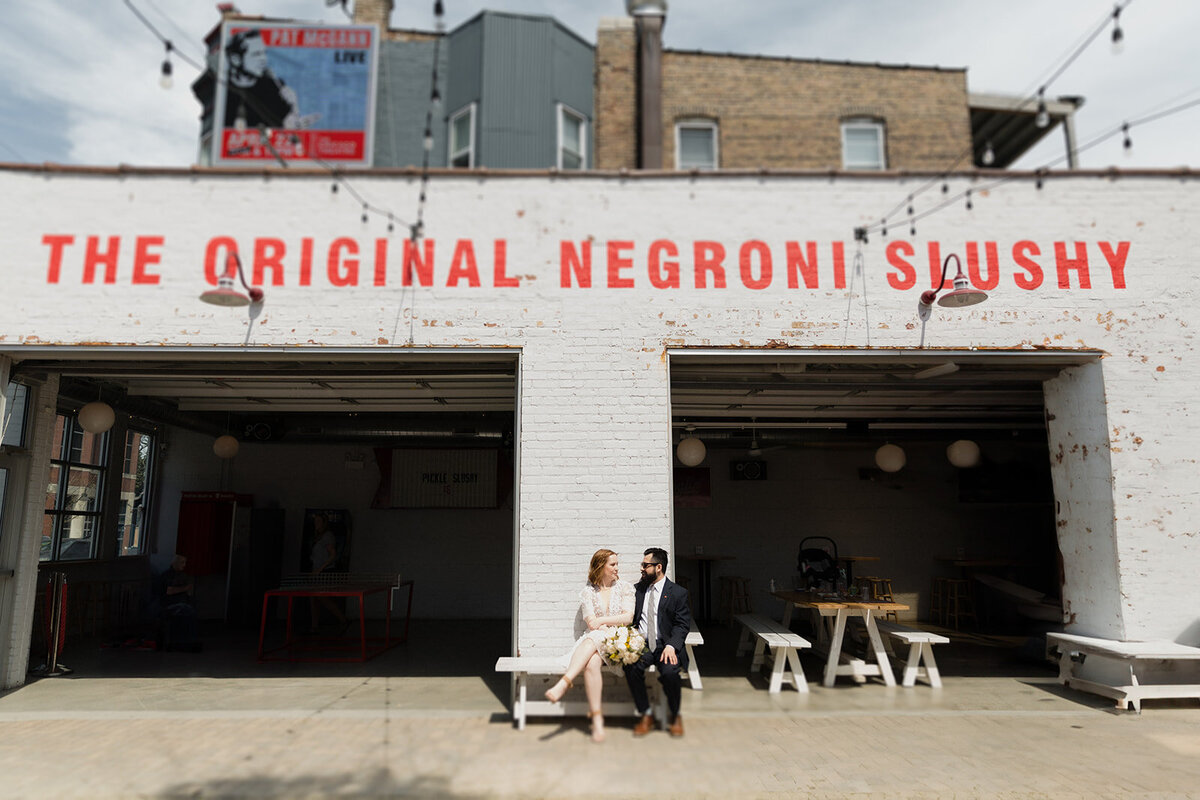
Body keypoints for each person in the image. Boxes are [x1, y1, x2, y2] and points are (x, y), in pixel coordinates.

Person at [544, 548, 635, 743]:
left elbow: (628, 617)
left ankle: (565, 682)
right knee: (591, 664)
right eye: (613, 564)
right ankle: (597, 718)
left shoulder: (625, 588)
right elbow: (591, 623)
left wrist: (603, 621)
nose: (617, 568)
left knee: (594, 638)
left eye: (617, 563)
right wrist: (604, 623)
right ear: (601, 566)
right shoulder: (588, 592)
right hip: (595, 639)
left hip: (616, 640)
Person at [625, 547, 691, 737]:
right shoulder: (637, 591)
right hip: (642, 645)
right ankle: (646, 713)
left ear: (659, 567)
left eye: (646, 565)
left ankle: (675, 714)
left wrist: (672, 645)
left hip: (666, 645)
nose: (642, 569)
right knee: (630, 667)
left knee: (670, 673)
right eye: (642, 565)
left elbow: (682, 624)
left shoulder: (678, 593)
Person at [224, 28, 318, 130]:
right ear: (235, 60)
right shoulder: (222, 88)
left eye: (264, 53)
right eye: (256, 54)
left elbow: (288, 125)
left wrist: (294, 107)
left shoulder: (273, 86)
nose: (264, 59)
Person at [308, 513, 347, 634]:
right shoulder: (317, 537)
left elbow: (333, 555)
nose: (317, 524)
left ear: (324, 524)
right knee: (314, 599)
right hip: (316, 571)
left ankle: (343, 620)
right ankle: (314, 626)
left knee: (322, 597)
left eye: (319, 522)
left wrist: (321, 568)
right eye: (316, 522)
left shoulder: (328, 536)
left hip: (324, 571)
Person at [154, 554, 200, 651]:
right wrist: (185, 589)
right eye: (182, 562)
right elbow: (169, 591)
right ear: (175, 563)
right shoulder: (167, 575)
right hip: (169, 604)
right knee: (188, 612)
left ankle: (187, 642)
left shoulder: (183, 576)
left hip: (181, 603)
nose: (184, 565)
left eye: (185, 563)